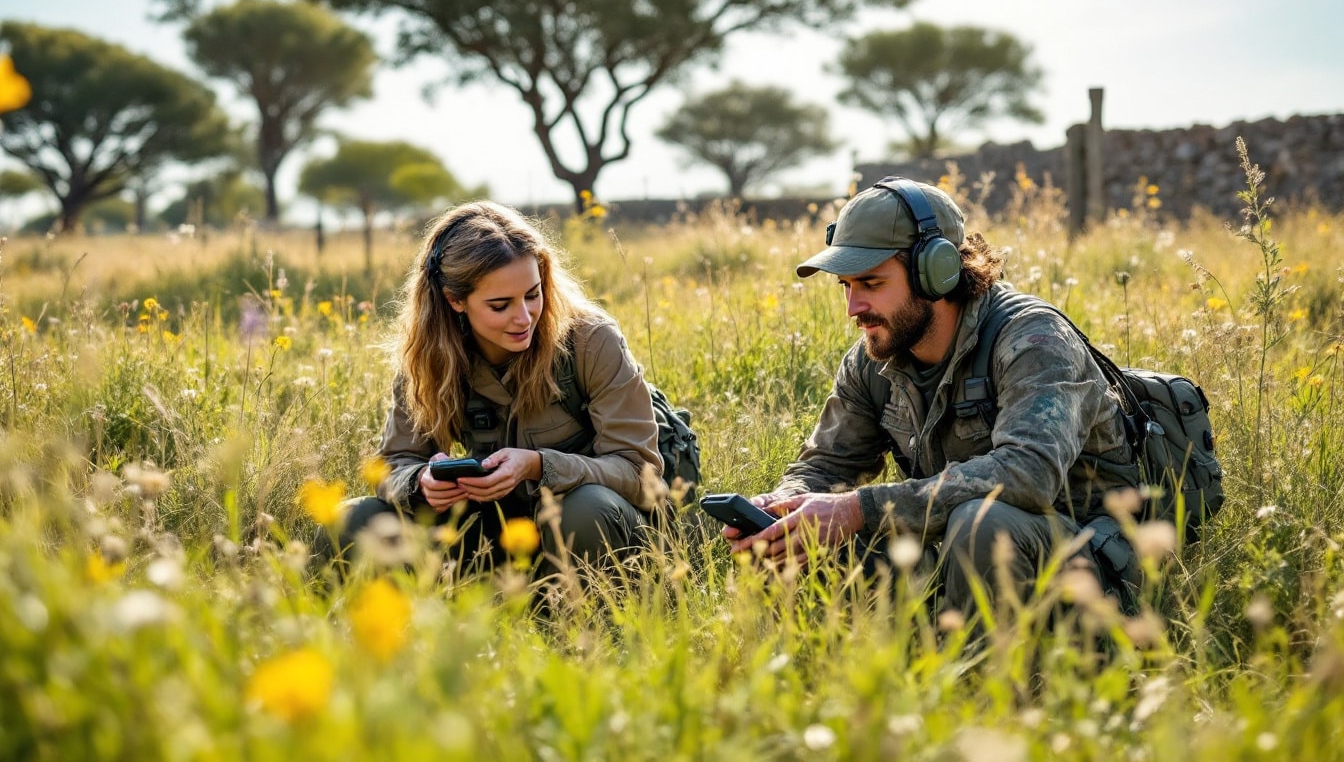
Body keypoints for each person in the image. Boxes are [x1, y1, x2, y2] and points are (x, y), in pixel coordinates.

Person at [724, 176, 1139, 618]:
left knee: (982, 523)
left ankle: (993, 680)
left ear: (935, 273)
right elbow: (826, 465)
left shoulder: (1033, 339)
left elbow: (1028, 473)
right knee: (800, 539)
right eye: (845, 286)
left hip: (1086, 565)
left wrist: (856, 510)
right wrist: (784, 508)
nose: (853, 307)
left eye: (871, 283)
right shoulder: (872, 360)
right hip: (957, 556)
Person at [319, 200, 664, 577]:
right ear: (455, 301)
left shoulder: (592, 341)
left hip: (592, 536)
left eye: (533, 294)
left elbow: (641, 474)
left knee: (588, 508)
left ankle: (586, 624)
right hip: (489, 539)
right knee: (354, 519)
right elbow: (393, 464)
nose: (524, 317)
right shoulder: (428, 355)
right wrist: (420, 483)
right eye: (500, 305)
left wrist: (539, 466)